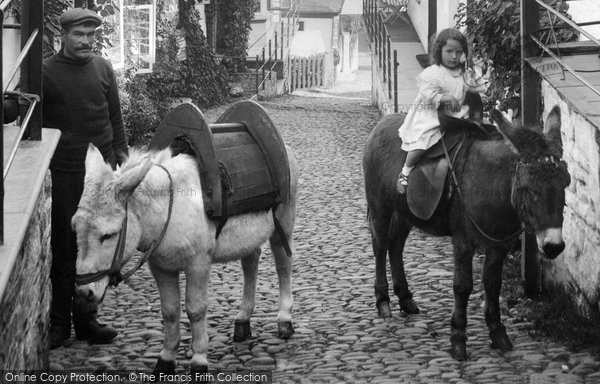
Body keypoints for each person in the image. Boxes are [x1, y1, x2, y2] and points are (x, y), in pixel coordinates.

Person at [43, 8, 128, 349]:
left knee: (94, 249)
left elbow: (115, 120)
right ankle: (60, 323)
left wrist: (121, 162)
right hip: (66, 173)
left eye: (91, 35)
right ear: (62, 35)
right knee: (65, 249)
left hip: (102, 176)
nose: (86, 41)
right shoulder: (45, 72)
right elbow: (26, 112)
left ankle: (87, 321)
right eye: (79, 34)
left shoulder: (103, 68)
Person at [396, 28, 482, 194]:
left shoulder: (462, 73)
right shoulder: (433, 73)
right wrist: (446, 98)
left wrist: (475, 90)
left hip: (455, 115)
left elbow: (473, 87)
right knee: (424, 140)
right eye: (449, 51)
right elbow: (428, 95)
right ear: (439, 51)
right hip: (431, 113)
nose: (454, 57)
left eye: (458, 52)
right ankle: (405, 172)